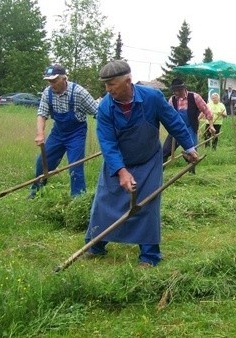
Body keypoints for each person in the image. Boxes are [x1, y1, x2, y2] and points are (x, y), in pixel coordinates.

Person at [84, 60, 198, 267]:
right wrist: (121, 171)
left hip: (148, 161)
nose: (107, 89)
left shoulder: (152, 98)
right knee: (105, 202)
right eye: (105, 85)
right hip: (118, 161)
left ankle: (149, 255)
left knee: (146, 204)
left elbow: (174, 122)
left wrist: (189, 148)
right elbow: (108, 144)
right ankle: (95, 245)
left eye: (111, 84)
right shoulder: (105, 108)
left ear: (127, 81)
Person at [29, 64, 98, 199]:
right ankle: (36, 192)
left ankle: (78, 200)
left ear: (64, 78)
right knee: (42, 163)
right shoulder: (47, 93)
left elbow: (97, 112)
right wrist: (40, 133)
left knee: (75, 168)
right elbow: (42, 114)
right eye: (49, 81)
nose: (51, 84)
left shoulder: (79, 92)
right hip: (58, 133)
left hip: (76, 134)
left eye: (54, 81)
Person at [162, 78, 215, 173]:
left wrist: (211, 126)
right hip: (176, 129)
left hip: (190, 128)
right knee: (165, 151)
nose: (176, 93)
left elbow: (207, 111)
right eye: (174, 90)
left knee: (192, 153)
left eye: (178, 90)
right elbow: (169, 115)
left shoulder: (194, 97)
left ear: (183, 88)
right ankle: (159, 173)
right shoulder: (172, 100)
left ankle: (191, 174)